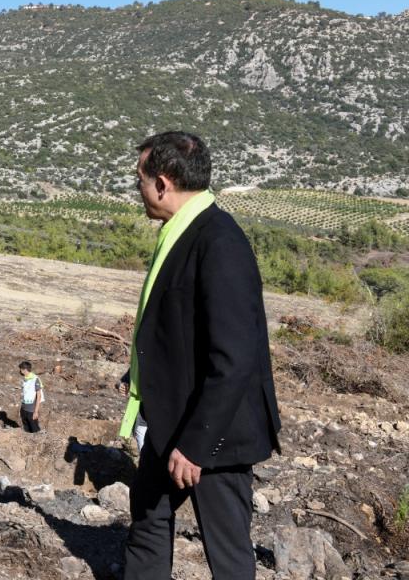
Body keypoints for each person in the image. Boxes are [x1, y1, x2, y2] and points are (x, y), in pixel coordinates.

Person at [120, 131, 281, 580]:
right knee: (148, 523)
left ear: (162, 183)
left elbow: (235, 356)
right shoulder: (185, 231)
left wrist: (196, 445)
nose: (137, 188)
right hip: (172, 419)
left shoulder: (219, 241)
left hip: (215, 435)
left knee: (227, 554)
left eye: (140, 179)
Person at [18, 361, 43, 433]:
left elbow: (39, 396)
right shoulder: (25, 379)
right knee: (27, 430)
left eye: (21, 369)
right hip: (24, 409)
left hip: (31, 410)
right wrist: (21, 408)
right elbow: (24, 394)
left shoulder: (35, 379)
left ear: (24, 369)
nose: (20, 371)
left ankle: (37, 443)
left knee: (35, 430)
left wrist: (36, 411)